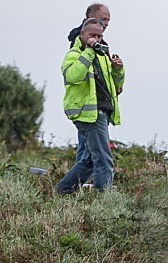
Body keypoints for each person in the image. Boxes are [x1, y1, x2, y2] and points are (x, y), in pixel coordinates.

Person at [54, 18, 125, 194]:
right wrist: (88, 52)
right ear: (82, 34)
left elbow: (115, 86)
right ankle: (104, 201)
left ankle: (63, 190)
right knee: (103, 158)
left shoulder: (101, 56)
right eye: (92, 35)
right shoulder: (74, 54)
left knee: (91, 160)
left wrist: (118, 70)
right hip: (89, 113)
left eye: (99, 36)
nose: (97, 39)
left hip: (101, 112)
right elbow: (72, 76)